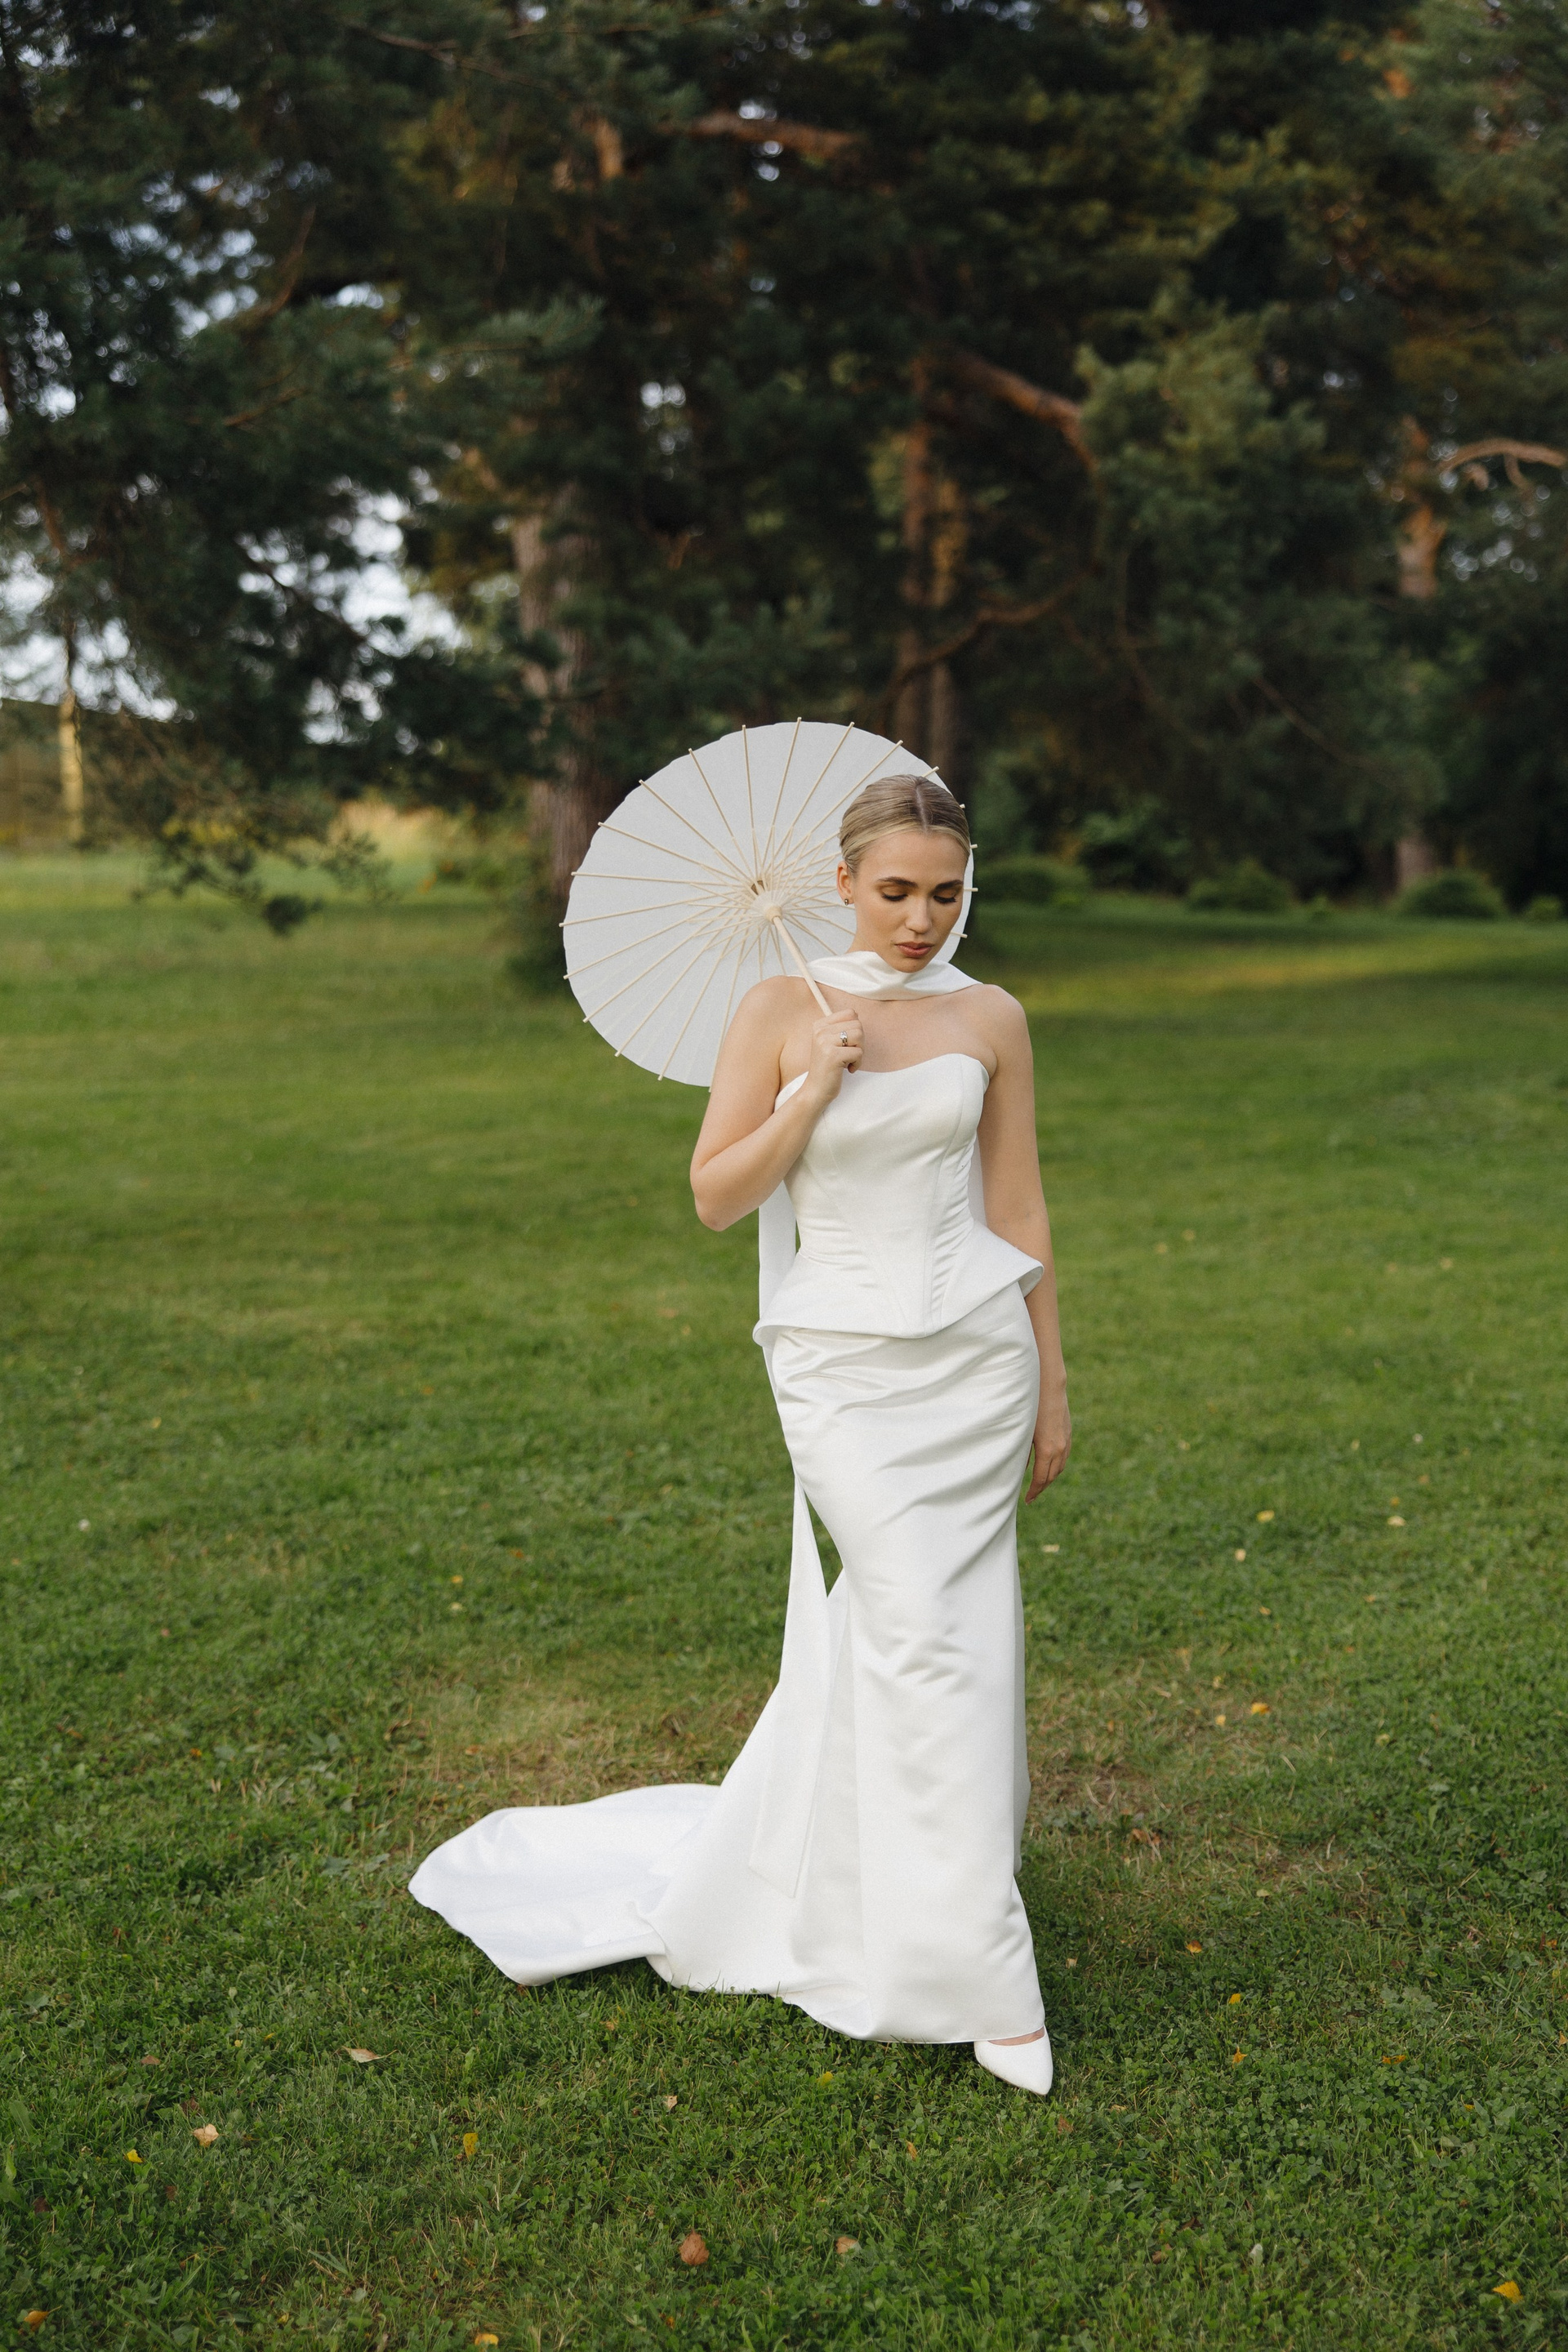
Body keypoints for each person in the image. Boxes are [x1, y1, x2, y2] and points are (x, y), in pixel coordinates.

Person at [410, 774, 1071, 2096]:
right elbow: (717, 1197)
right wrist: (809, 1090)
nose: (921, 920)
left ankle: (921, 1883)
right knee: (914, 1630)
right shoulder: (777, 1010)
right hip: (845, 1374)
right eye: (896, 892)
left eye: (946, 894)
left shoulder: (990, 1016)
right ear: (843, 884)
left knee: (957, 1636)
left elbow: (1020, 1208)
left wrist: (1052, 1381)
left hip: (976, 1366)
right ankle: (978, 1971)